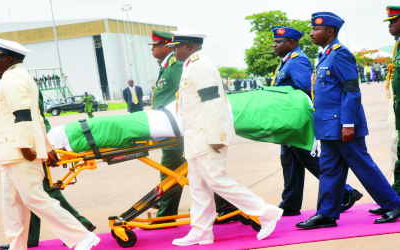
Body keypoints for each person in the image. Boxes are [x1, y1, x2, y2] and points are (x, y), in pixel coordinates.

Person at [167, 31, 282, 246]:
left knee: (216, 181)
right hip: (195, 136)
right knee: (198, 186)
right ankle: (201, 231)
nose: (174, 51)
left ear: (189, 47)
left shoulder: (200, 64)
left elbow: (213, 102)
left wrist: (216, 135)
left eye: (177, 47)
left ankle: (266, 213)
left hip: (206, 135)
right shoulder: (190, 65)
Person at [0, 37, 99, 250]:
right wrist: (47, 148)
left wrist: (25, 146)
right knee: (12, 202)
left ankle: (80, 236)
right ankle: (17, 245)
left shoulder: (12, 78)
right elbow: (37, 117)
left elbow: (22, 114)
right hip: (10, 150)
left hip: (18, 149)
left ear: (9, 58)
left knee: (34, 197)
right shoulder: (22, 76)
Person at [296, 12, 400, 230]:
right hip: (328, 126)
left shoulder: (340, 54)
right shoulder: (325, 55)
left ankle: (394, 204)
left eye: (316, 29)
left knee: (363, 166)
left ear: (330, 32)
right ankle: (326, 213)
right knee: (329, 170)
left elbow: (351, 91)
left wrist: (348, 124)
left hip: (343, 125)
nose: (311, 33)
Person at [271, 26, 361, 216]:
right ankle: (290, 203)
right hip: (287, 121)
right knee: (290, 160)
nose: (274, 45)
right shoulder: (286, 61)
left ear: (291, 43)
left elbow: (303, 90)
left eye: (278, 42)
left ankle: (347, 192)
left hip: (296, 121)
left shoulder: (298, 61)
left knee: (307, 158)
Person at [148, 30, 186, 223]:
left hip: (176, 130)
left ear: (166, 46)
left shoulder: (174, 66)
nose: (152, 49)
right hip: (168, 129)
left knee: (185, 171)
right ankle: (166, 214)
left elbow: (186, 94)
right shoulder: (166, 67)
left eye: (155, 45)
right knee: (173, 172)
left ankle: (225, 203)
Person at [380, 6, 400, 216]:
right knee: (397, 150)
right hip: (398, 108)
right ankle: (396, 198)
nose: (390, 26)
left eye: (393, 21)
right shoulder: (398, 46)